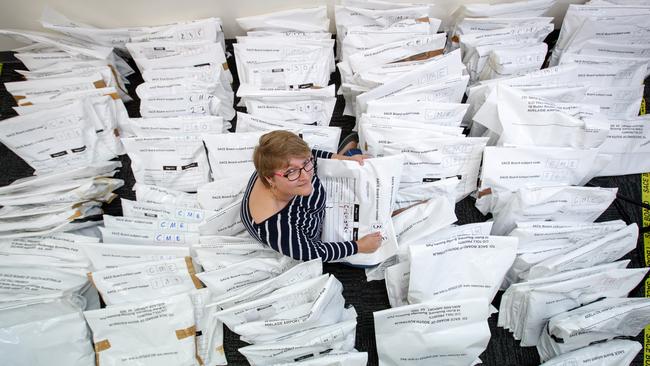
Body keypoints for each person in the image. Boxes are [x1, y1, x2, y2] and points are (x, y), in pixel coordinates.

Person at [241, 130, 382, 262]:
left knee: (361, 166)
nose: (305, 177)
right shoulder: (279, 229)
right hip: (322, 233)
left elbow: (308, 154)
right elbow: (313, 252)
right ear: (269, 179)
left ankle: (346, 153)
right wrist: (359, 246)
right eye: (291, 171)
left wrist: (343, 159)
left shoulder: (273, 165)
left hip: (327, 203)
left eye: (306, 163)